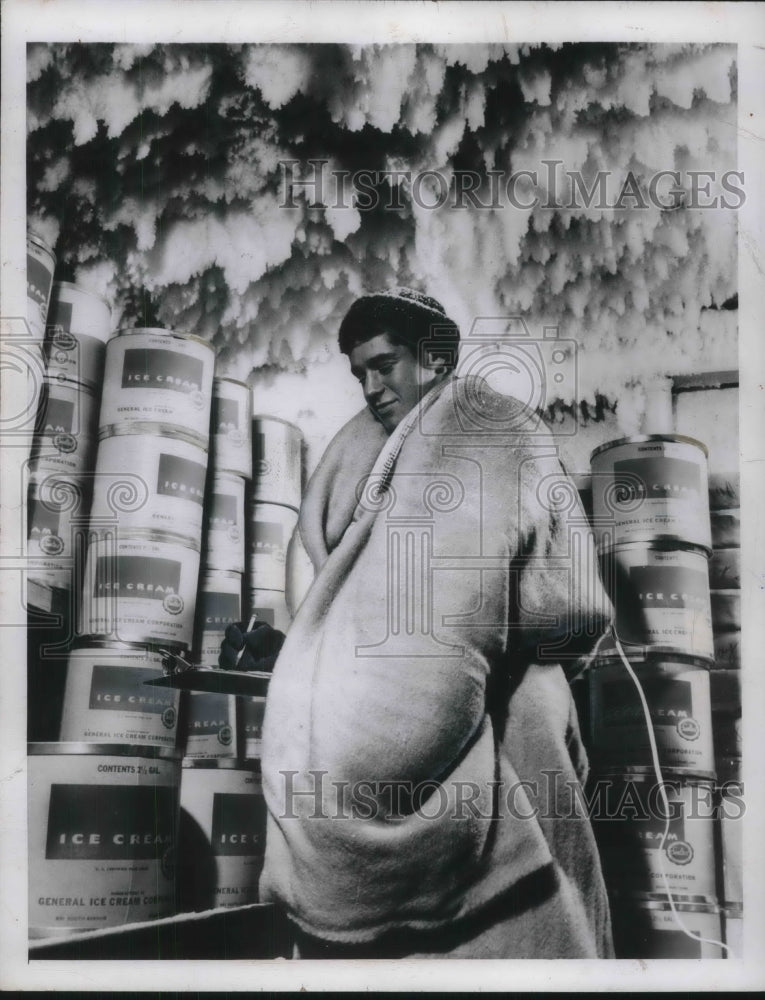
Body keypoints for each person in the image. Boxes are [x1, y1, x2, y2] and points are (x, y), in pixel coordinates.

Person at [221, 287, 615, 958]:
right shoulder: (499, 429)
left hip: (384, 752)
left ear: (434, 357)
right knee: (522, 938)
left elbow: (344, 608)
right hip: (499, 721)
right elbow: (570, 609)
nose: (371, 388)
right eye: (359, 374)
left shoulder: (367, 460)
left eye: (385, 365)